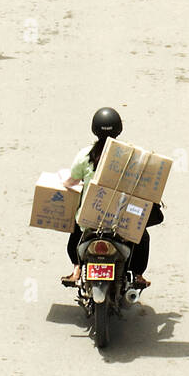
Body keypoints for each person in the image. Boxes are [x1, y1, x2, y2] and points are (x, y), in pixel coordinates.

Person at [61, 107, 153, 291]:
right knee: (142, 236)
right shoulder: (130, 155)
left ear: (94, 129)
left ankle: (77, 269)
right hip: (121, 222)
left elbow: (70, 181)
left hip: (90, 220)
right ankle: (138, 275)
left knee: (76, 228)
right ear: (119, 129)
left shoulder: (85, 155)